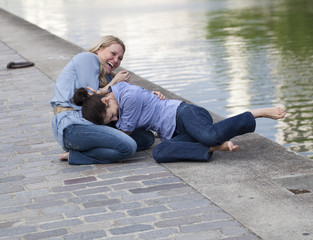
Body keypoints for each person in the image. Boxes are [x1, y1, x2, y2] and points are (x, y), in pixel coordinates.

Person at [73, 82, 286, 163]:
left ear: (107, 99)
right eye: (112, 120)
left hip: (183, 114)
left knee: (209, 133)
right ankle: (211, 148)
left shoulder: (128, 97)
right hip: (173, 132)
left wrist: (92, 144)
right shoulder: (115, 99)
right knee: (159, 153)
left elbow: (122, 135)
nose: (116, 119)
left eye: (112, 115)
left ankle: (254, 114)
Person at [50, 35, 158, 165]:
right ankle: (78, 155)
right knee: (128, 147)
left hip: (94, 123)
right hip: (73, 126)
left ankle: (99, 146)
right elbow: (90, 98)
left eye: (120, 58)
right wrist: (113, 83)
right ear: (99, 49)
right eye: (113, 53)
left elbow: (128, 100)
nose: (116, 60)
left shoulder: (105, 76)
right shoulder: (88, 58)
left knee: (146, 138)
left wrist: (151, 96)